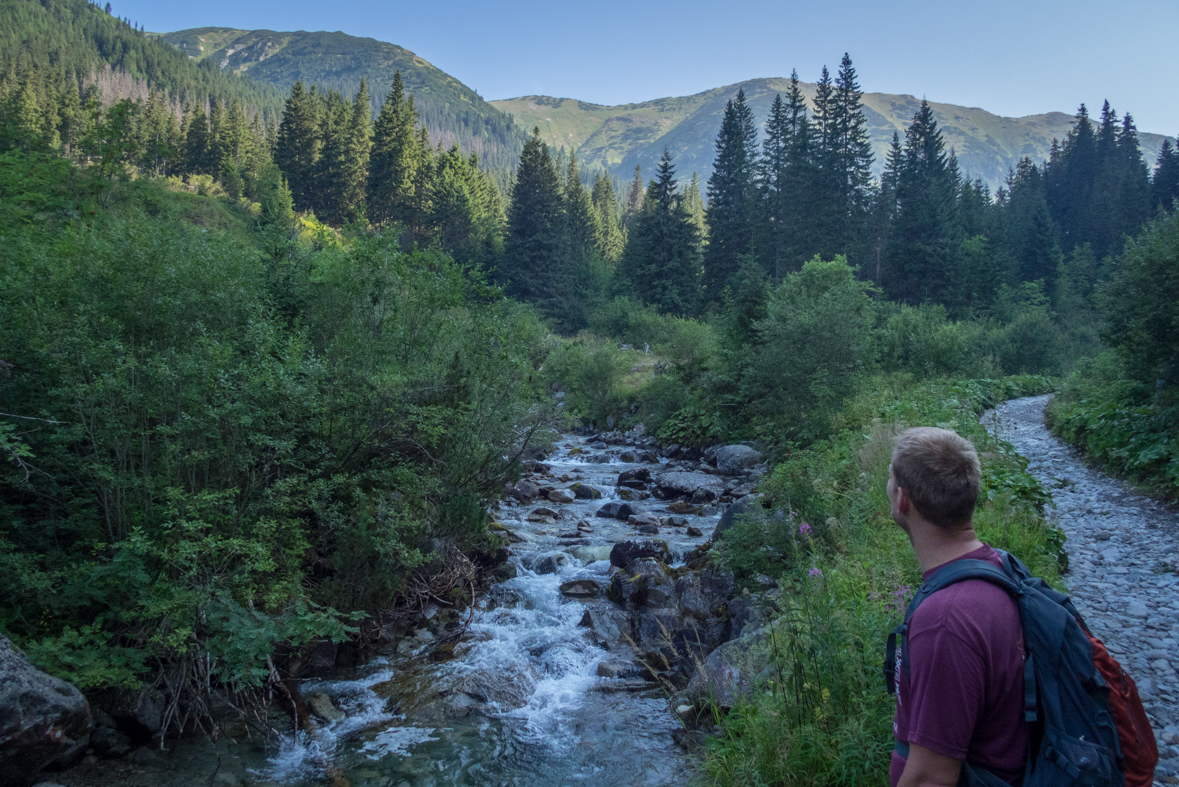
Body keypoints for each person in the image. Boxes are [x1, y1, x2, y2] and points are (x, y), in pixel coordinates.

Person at [887, 427, 1028, 787]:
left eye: (890, 478)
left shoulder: (946, 622)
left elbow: (931, 778)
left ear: (902, 499)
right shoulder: (998, 566)